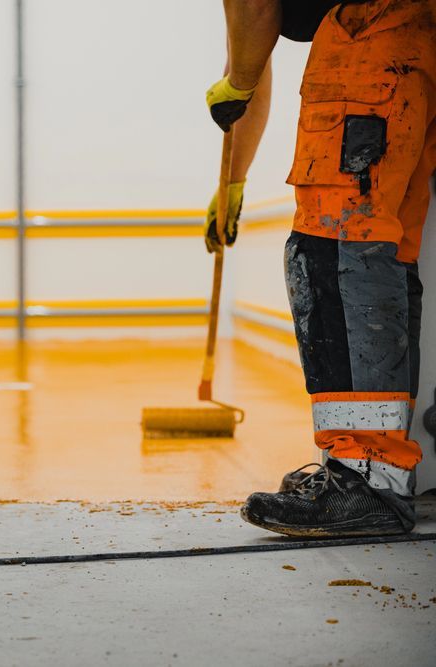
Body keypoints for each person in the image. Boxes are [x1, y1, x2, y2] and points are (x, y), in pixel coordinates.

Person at [205, 0, 436, 536]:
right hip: (409, 54)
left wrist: (236, 82)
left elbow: (251, 28)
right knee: (385, 257)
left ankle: (364, 475)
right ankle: (386, 471)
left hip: (366, 52)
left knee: (336, 256)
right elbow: (250, 50)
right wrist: (233, 180)